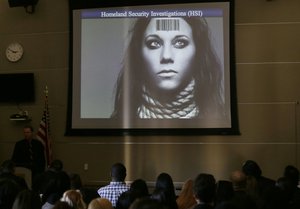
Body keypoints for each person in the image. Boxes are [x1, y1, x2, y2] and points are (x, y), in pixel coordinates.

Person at [111, 16, 225, 120]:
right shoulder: (118, 122)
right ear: (139, 54)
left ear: (198, 52)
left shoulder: (220, 119)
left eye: (180, 43)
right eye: (154, 43)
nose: (166, 56)